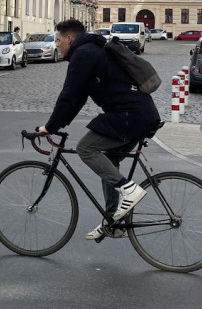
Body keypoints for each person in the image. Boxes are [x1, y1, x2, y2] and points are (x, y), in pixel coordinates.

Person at [36, 18, 161, 240]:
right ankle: (112, 221)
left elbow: (69, 95)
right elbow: (77, 99)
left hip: (129, 115)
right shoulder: (91, 50)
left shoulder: (83, 54)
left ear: (69, 38)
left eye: (57, 40)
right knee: (109, 161)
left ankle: (129, 190)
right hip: (138, 114)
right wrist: (55, 125)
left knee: (86, 148)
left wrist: (49, 127)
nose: (56, 45)